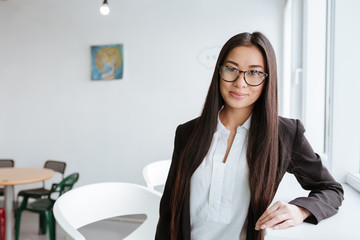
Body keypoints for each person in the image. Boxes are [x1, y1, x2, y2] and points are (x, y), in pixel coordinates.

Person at [155, 32, 344, 240]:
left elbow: (331, 189)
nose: (240, 82)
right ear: (219, 71)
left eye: (254, 73)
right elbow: (168, 212)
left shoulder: (285, 134)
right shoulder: (187, 133)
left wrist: (300, 210)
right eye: (231, 68)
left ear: (267, 80)